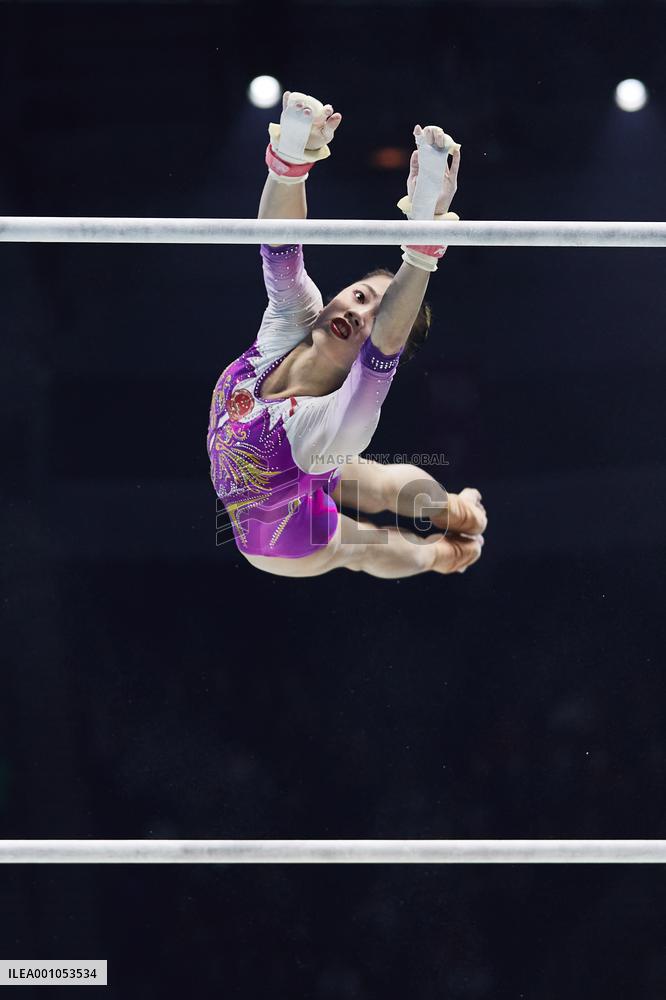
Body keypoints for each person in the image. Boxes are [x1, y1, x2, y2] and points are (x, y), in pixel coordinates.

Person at [207, 90, 487, 579]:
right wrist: (290, 160)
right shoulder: (293, 321)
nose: (360, 314)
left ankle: (449, 548)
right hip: (296, 474)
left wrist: (422, 245)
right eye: (360, 296)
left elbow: (386, 347)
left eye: (377, 318)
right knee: (371, 480)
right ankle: (459, 510)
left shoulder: (342, 418)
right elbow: (279, 244)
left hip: (286, 540)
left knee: (362, 538)